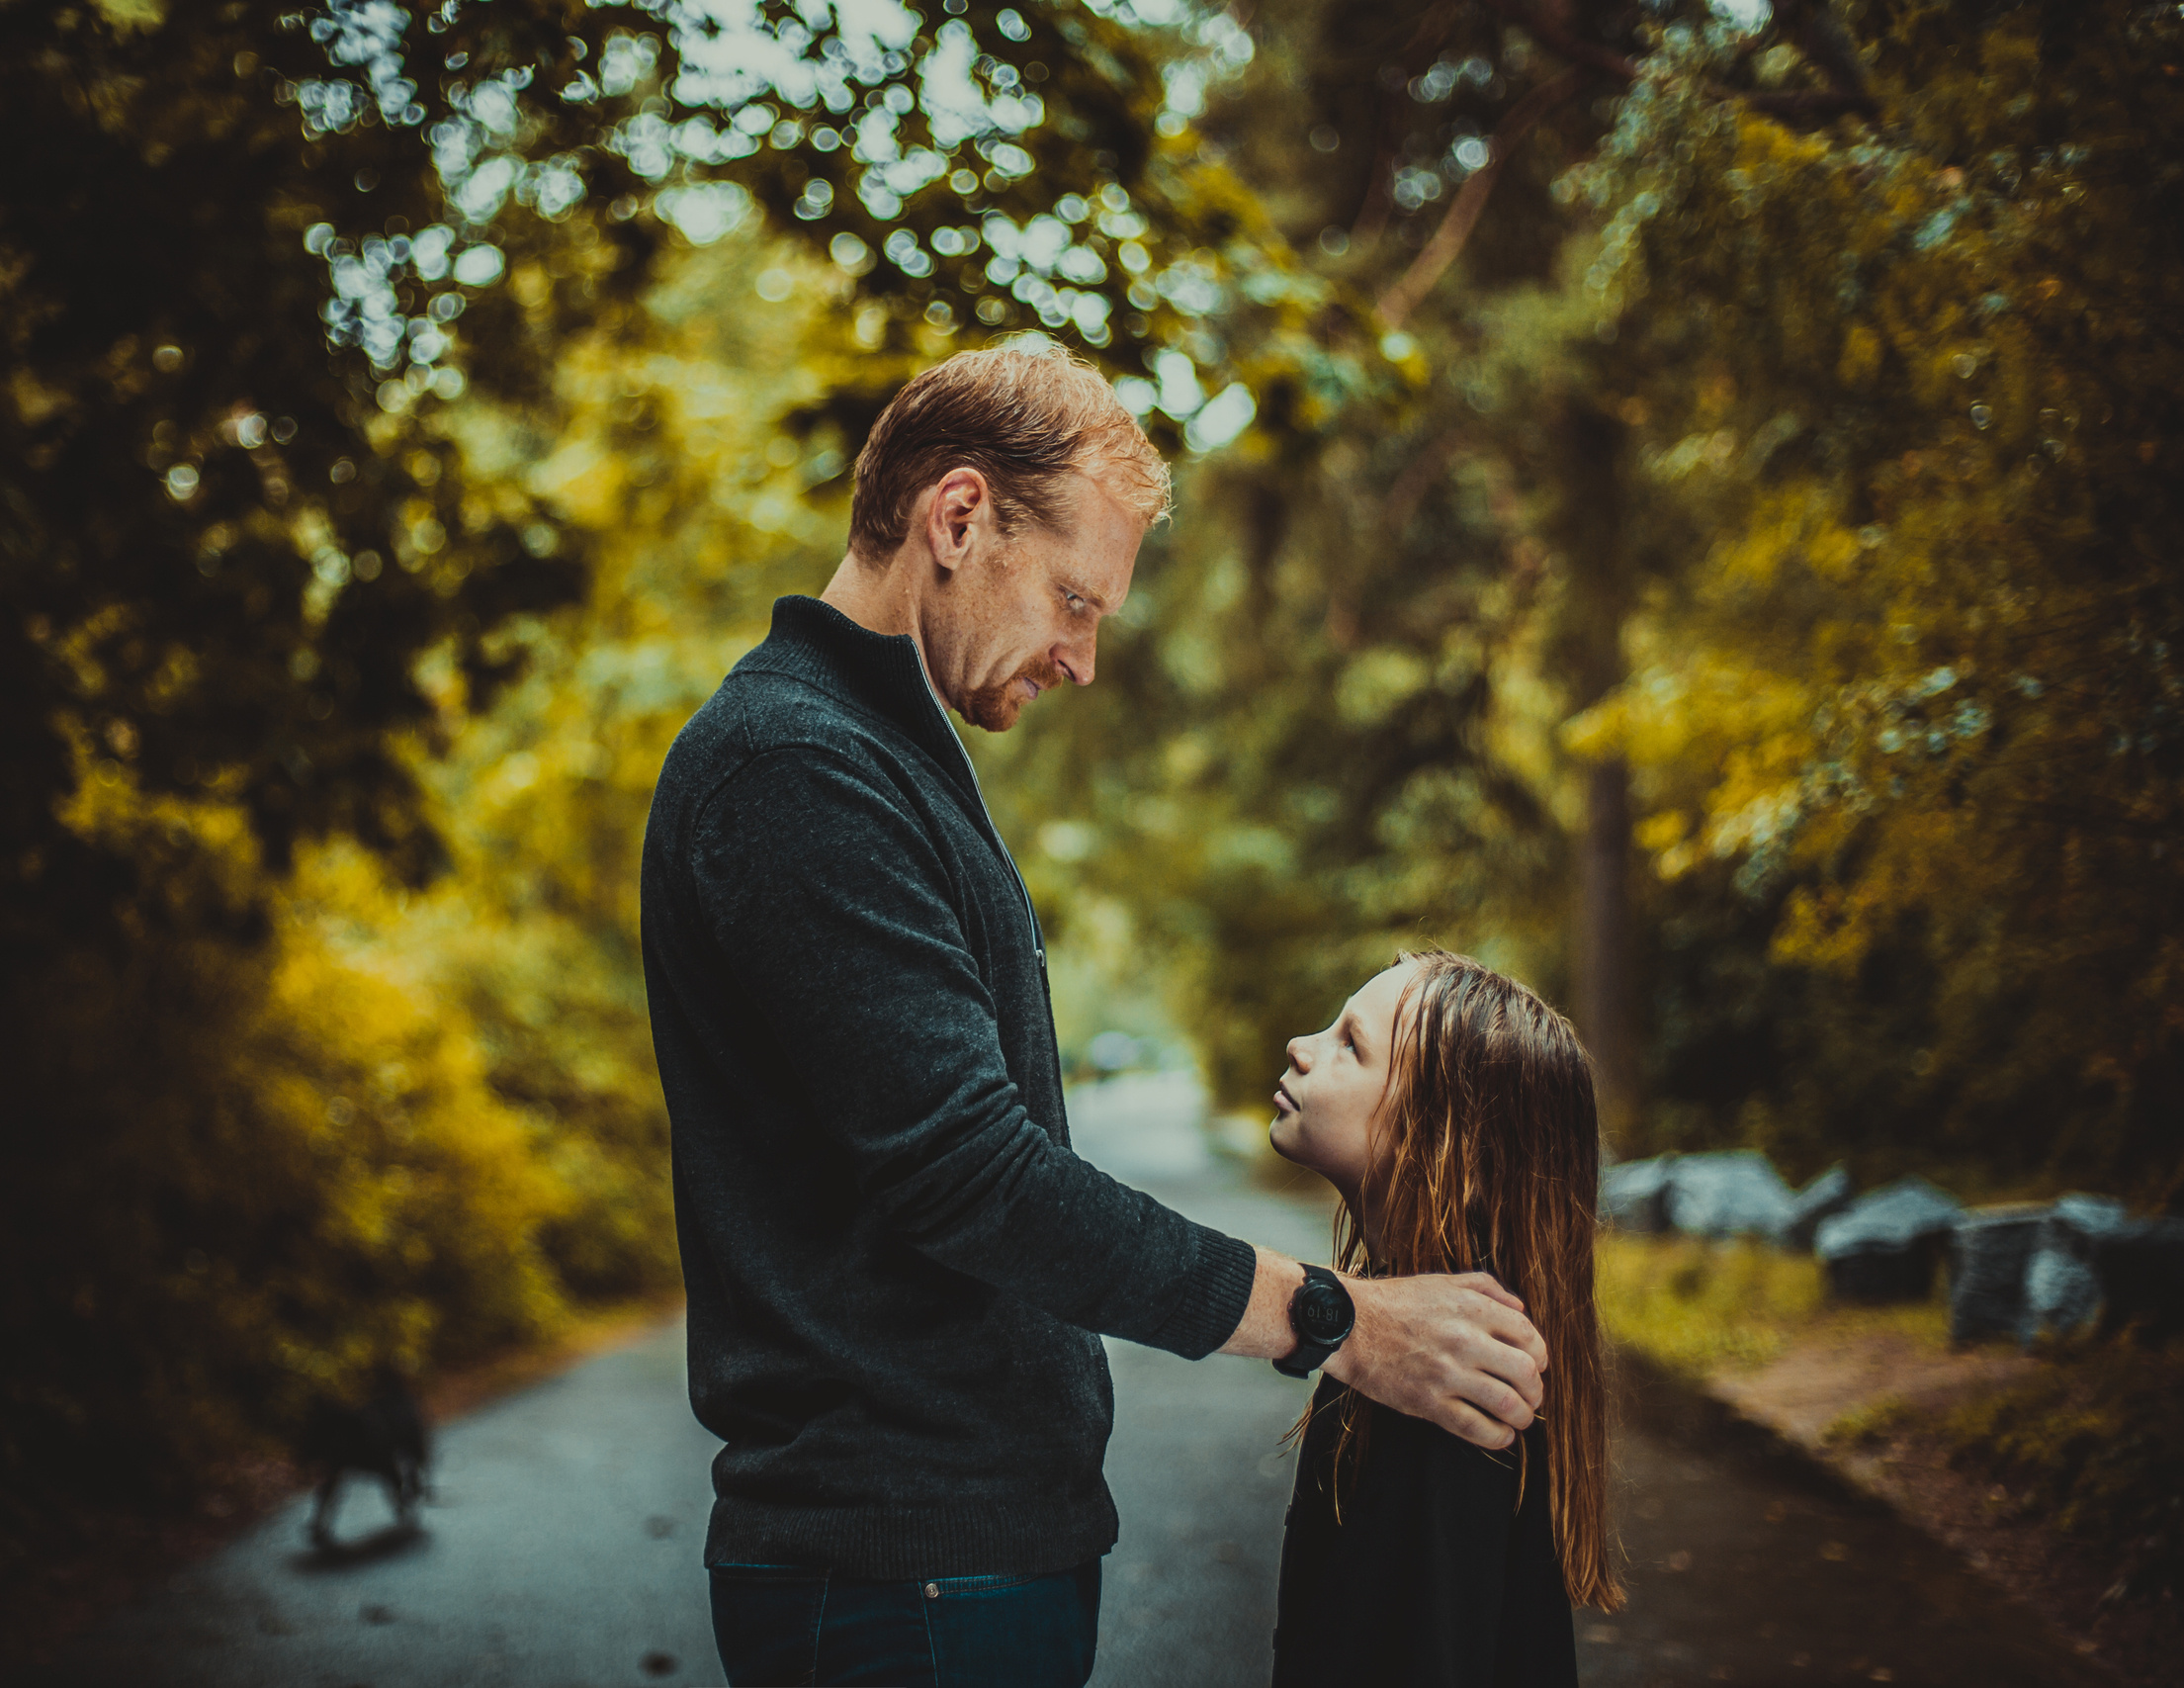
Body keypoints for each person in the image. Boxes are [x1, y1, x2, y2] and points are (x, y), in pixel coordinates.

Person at [640, 347, 1549, 1688]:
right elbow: (972, 1175)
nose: (1082, 656)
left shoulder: (879, 756)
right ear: (956, 518)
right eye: (1074, 598)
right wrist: (1345, 1319)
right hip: (903, 1574)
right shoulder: (799, 770)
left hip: (952, 1563)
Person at [1267, 951, 1624, 1687]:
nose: (1302, 1046)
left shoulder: (1455, 1379)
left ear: (1434, 1136)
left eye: (1350, 1044)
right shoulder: (1395, 1328)